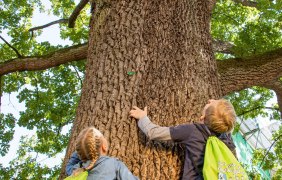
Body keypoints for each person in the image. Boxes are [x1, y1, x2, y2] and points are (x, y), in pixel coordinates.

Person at [129, 99, 237, 180]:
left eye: (210, 103)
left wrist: (143, 117)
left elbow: (152, 132)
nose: (210, 100)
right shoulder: (227, 139)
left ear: (202, 117)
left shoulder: (192, 131)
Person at [65, 127, 138, 180]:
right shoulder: (114, 164)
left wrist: (83, 149)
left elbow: (69, 166)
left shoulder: (77, 169)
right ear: (104, 146)